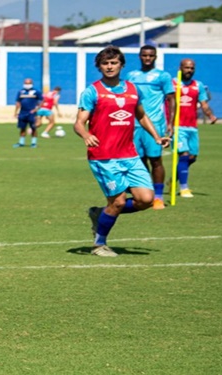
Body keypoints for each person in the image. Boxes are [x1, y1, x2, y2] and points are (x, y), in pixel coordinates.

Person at [73, 46, 170, 257]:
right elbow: (79, 123)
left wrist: (156, 136)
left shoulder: (133, 90)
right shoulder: (92, 91)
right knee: (117, 202)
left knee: (145, 199)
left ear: (121, 65)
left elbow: (142, 116)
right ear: (99, 66)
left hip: (130, 155)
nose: (109, 66)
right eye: (105, 63)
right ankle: (99, 244)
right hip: (103, 157)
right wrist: (86, 135)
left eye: (113, 62)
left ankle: (101, 214)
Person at [125, 45, 175, 210]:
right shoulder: (131, 75)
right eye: (145, 55)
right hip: (134, 125)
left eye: (151, 56)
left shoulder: (163, 76)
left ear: (155, 57)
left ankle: (158, 198)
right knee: (138, 161)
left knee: (155, 160)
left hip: (155, 124)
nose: (148, 58)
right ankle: (145, 191)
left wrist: (170, 123)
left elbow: (171, 99)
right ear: (140, 56)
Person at [173, 58, 217, 198]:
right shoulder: (173, 84)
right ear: (180, 68)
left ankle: (173, 179)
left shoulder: (198, 85)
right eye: (186, 68)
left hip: (192, 127)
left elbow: (203, 104)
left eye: (192, 68)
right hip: (177, 127)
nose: (189, 70)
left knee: (192, 157)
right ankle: (184, 188)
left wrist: (211, 116)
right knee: (184, 156)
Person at [13, 78, 42, 148]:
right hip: (22, 113)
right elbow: (18, 102)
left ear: (31, 84)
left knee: (33, 128)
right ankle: (21, 142)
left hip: (31, 113)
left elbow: (41, 101)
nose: (27, 85)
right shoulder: (20, 92)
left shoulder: (36, 92)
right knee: (22, 128)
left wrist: (36, 109)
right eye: (26, 83)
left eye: (28, 83)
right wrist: (15, 112)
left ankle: (34, 143)